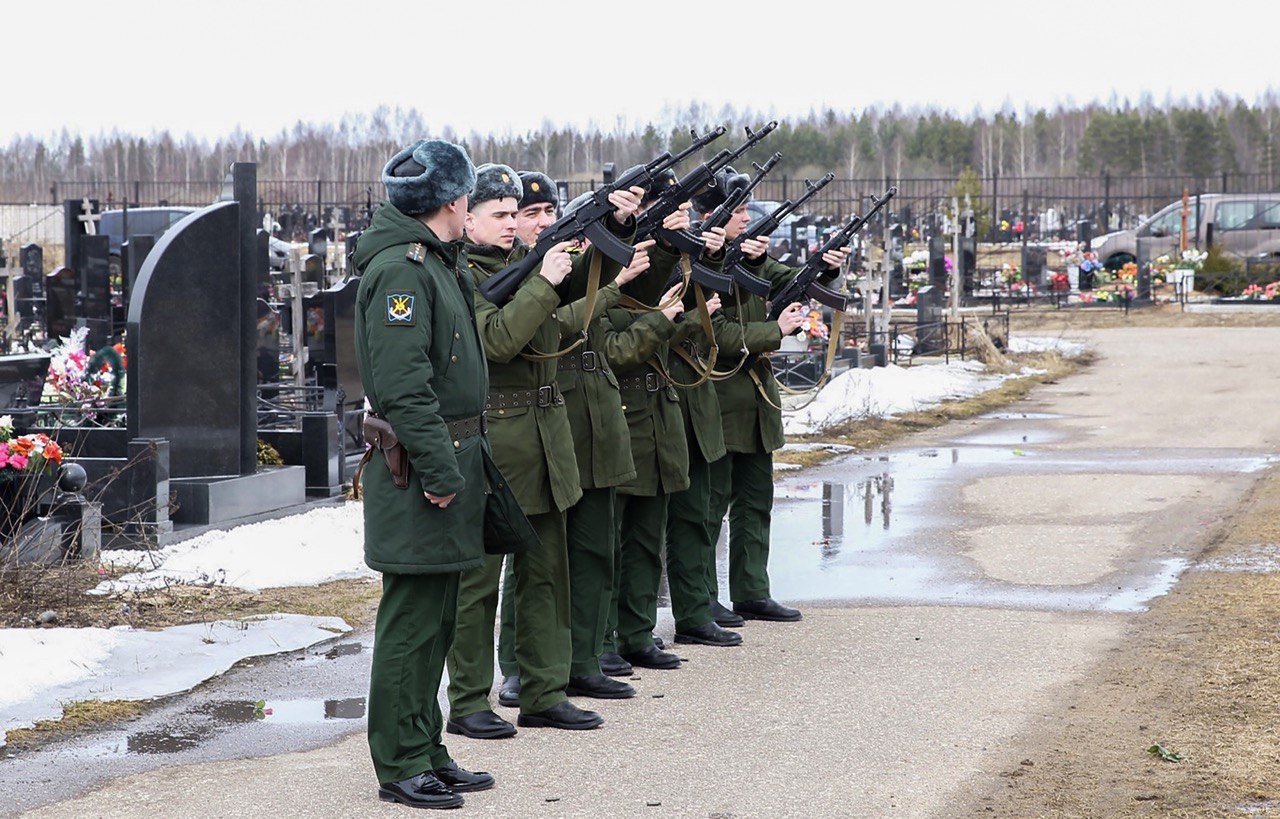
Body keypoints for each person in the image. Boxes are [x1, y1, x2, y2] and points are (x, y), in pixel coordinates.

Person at [445, 163, 645, 739]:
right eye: (501, 215)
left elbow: (559, 325)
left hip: (546, 436)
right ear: (470, 219)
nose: (513, 225)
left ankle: (544, 690)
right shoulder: (461, 274)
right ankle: (467, 701)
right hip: (498, 439)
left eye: (517, 215)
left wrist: (616, 224)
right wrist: (543, 279)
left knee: (546, 575)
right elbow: (498, 340)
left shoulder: (518, 265)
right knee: (479, 585)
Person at [352, 138, 495, 810]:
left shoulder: (436, 262)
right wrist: (440, 469)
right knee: (411, 622)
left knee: (438, 620)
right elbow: (405, 388)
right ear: (450, 199)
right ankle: (398, 761)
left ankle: (426, 745)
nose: (471, 206)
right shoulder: (404, 270)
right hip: (417, 470)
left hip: (446, 460)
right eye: (468, 195)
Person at [495, 171, 650, 704]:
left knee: (589, 550)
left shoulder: (566, 259)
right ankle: (517, 665)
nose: (540, 223)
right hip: (546, 417)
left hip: (588, 418)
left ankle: (583, 660)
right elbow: (545, 328)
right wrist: (604, 293)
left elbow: (594, 283)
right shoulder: (516, 271)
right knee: (532, 557)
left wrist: (619, 221)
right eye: (530, 215)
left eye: (546, 214)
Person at [692, 167, 851, 624]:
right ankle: (700, 595)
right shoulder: (702, 262)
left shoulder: (752, 257)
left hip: (756, 399)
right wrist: (772, 330)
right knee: (709, 508)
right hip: (718, 395)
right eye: (737, 210)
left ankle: (752, 589)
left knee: (755, 500)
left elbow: (792, 279)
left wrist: (828, 263)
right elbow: (712, 334)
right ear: (710, 215)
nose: (745, 217)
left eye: (745, 208)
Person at [601, 196, 734, 670]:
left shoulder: (661, 254)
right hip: (626, 407)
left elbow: (671, 303)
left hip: (661, 405)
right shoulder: (614, 258)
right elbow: (635, 327)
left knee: (645, 534)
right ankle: (607, 637)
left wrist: (707, 253)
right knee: (614, 537)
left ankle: (637, 633)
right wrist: (658, 244)